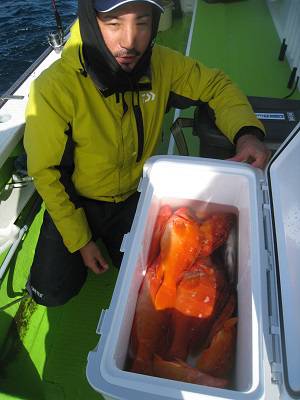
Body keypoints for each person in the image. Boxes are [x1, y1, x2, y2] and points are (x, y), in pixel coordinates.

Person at [24, 0, 270, 307]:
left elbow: (217, 86)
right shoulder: (53, 88)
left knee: (151, 272)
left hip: (134, 195)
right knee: (52, 292)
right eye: (113, 23)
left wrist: (247, 134)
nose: (129, 41)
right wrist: (82, 240)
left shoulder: (162, 65)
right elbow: (47, 173)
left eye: (141, 23)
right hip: (75, 199)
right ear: (90, 21)